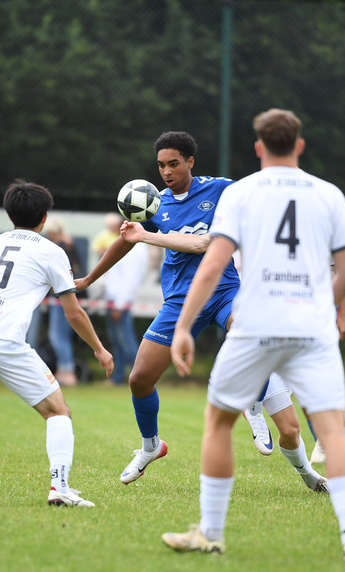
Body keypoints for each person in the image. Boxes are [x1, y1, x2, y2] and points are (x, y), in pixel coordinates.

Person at [162, 108, 345, 562]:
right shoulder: (329, 194)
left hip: (255, 323)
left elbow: (213, 264)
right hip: (309, 326)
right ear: (299, 146)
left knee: (218, 421)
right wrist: (325, 309)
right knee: (331, 428)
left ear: (258, 148)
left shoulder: (240, 193)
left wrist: (183, 327)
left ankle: (211, 534)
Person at [0, 181, 114, 507]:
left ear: (9, 214)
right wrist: (99, 348)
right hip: (4, 342)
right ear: (44, 217)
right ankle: (60, 487)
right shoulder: (52, 251)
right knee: (58, 411)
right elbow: (73, 312)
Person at [75, 131, 243, 484]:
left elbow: (248, 212)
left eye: (173, 164)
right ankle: (150, 445)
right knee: (139, 379)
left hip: (224, 289)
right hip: (181, 301)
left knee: (246, 332)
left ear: (190, 162)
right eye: (161, 165)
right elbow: (126, 240)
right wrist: (89, 279)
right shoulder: (155, 204)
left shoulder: (222, 189)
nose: (166, 172)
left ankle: (256, 403)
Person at [245, 268, 345, 498]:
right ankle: (310, 477)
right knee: (289, 431)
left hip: (308, 345)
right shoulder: (264, 245)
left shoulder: (315, 236)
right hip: (271, 348)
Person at [97, 216, 150, 385]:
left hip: (119, 301)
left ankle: (140, 377)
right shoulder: (130, 246)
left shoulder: (136, 250)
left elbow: (129, 280)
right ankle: (118, 377)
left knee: (126, 341)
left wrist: (119, 305)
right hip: (115, 300)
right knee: (118, 341)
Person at [43, 218, 87, 387]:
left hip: (62, 297)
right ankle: (64, 369)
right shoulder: (70, 245)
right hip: (72, 295)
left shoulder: (60, 247)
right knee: (64, 335)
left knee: (57, 335)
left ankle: (66, 370)